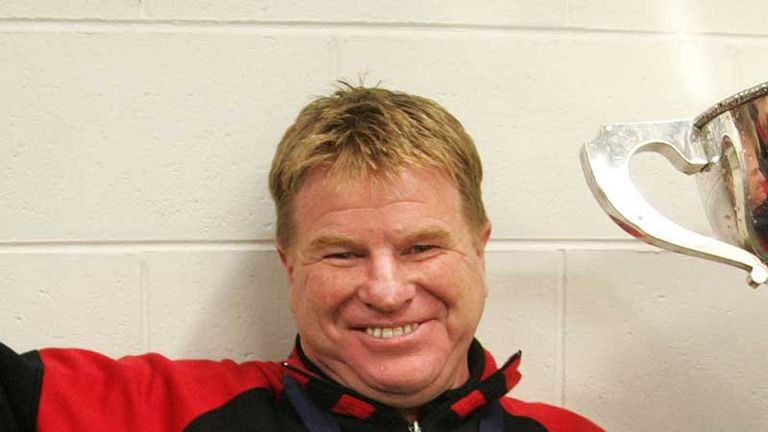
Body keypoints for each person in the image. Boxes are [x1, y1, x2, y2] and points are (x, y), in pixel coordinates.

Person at [0, 84, 604, 431]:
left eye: (421, 247)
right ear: (290, 266)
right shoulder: (164, 414)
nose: (386, 291)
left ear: (479, 248)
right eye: (342, 253)